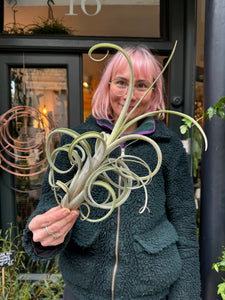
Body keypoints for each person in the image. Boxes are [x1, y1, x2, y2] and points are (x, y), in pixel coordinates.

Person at [23, 45, 201, 300]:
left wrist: (187, 296)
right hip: (84, 289)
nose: (130, 94)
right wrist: (45, 232)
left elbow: (184, 228)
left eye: (142, 85)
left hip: (151, 290)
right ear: (106, 86)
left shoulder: (168, 147)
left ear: (154, 93)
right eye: (121, 82)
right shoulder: (77, 142)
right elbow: (51, 204)